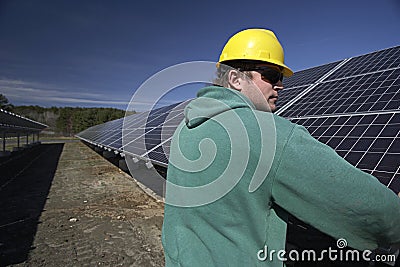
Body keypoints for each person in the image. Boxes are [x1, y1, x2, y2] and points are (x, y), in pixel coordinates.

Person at [161, 28, 400, 266]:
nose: (280, 86)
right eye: (271, 75)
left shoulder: (186, 125)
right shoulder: (268, 134)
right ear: (235, 79)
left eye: (281, 78)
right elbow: (371, 209)